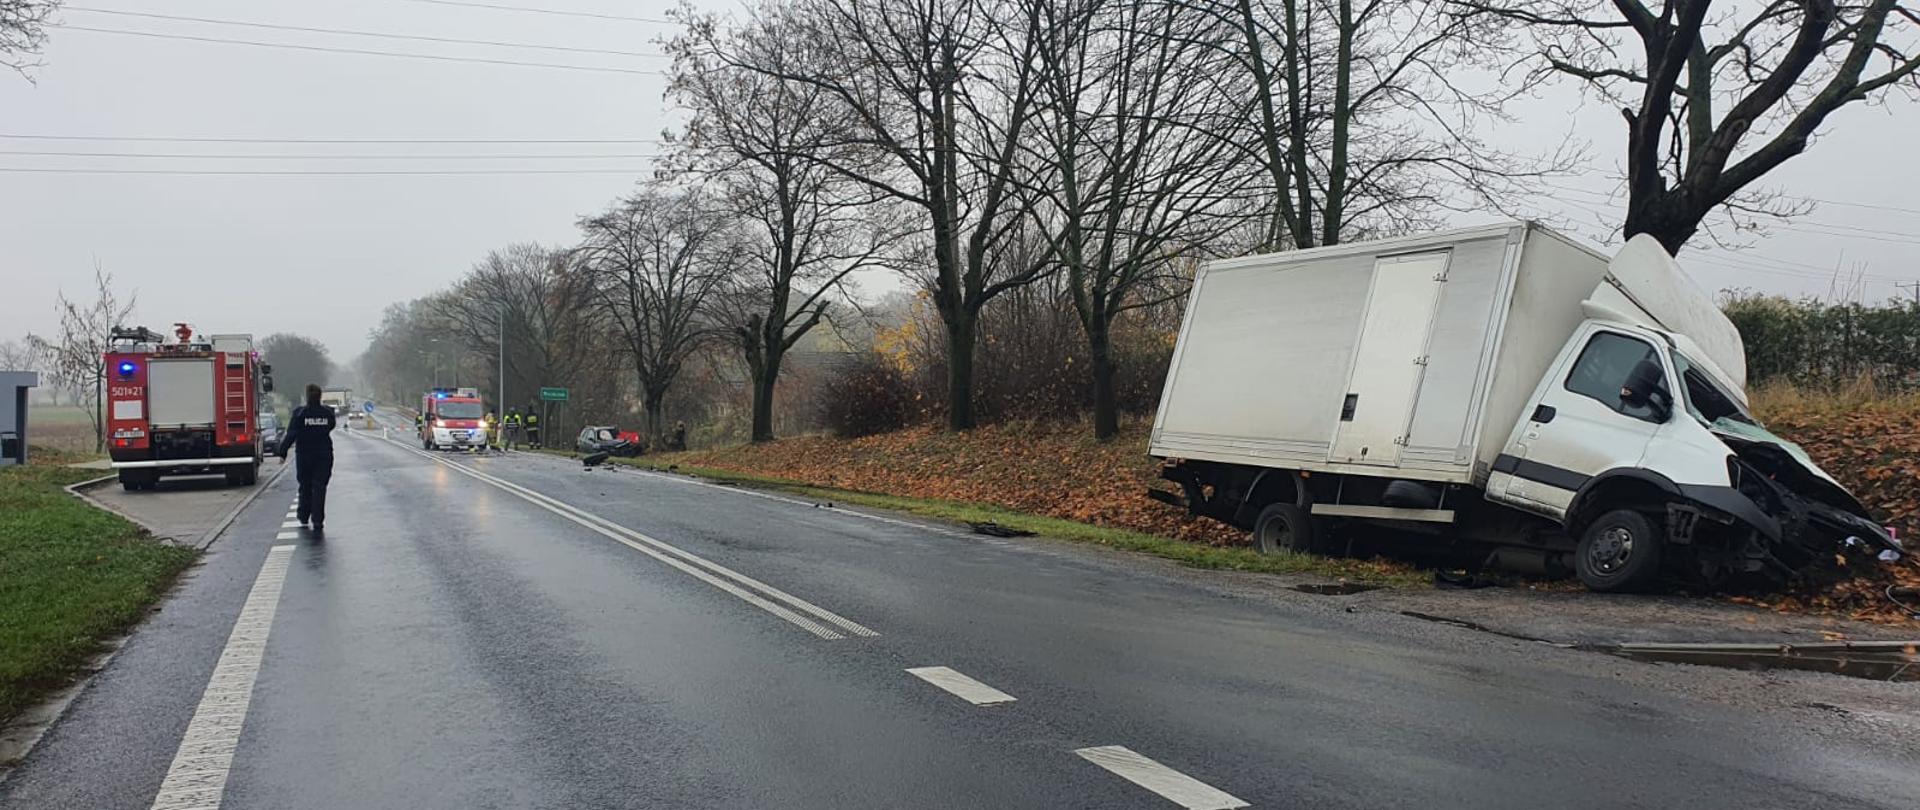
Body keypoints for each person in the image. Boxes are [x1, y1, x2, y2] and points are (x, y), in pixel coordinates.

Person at [278, 383, 337, 534]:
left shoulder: (299, 414)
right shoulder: (328, 413)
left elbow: (291, 434)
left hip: (304, 455)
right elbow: (331, 426)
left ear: (307, 396)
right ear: (320, 396)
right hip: (324, 455)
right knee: (319, 487)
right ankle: (318, 520)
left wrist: (282, 451)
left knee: (304, 485)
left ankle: (303, 516)